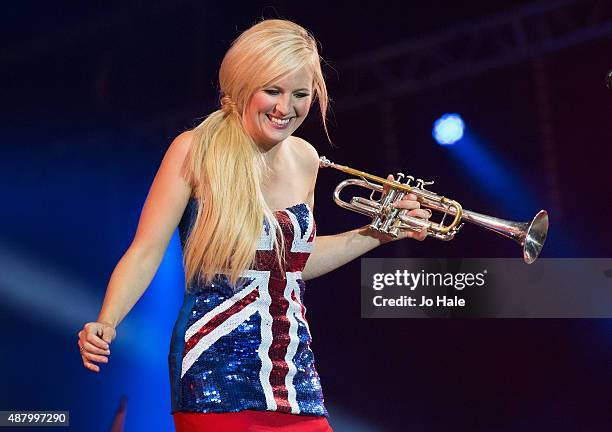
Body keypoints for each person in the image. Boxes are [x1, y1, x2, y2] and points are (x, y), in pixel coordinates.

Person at [77, 19, 430, 431]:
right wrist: (107, 320)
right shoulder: (195, 150)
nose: (286, 108)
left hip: (295, 376)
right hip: (213, 373)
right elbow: (146, 250)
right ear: (244, 86)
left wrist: (378, 232)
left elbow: (293, 262)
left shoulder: (305, 159)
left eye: (300, 95)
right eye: (273, 91)